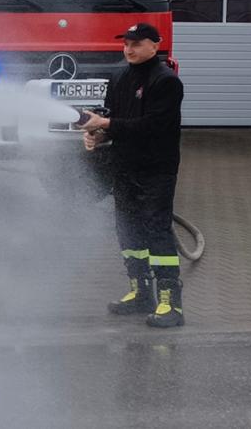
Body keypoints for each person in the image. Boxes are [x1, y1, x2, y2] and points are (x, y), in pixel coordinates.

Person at [81, 22, 186, 329]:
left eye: (137, 43)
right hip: (124, 166)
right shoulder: (120, 77)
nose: (129, 49)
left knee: (156, 231)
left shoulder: (166, 82)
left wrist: (106, 125)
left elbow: (153, 126)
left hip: (156, 169)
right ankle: (140, 293)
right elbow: (116, 120)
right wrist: (98, 134)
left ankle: (170, 303)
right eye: (126, 43)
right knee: (128, 231)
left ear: (155, 45)